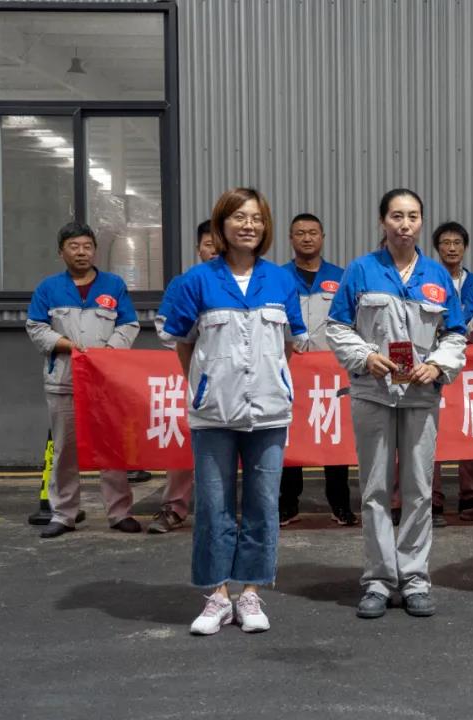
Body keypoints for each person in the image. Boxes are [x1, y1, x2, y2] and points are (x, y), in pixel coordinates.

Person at [160, 187, 307, 635]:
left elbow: (289, 343)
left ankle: (251, 593)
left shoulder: (281, 280)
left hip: (269, 412)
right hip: (214, 414)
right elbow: (184, 343)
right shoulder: (197, 281)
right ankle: (218, 596)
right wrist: (206, 385)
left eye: (257, 218)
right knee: (213, 506)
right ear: (221, 224)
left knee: (263, 505)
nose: (249, 225)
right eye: (239, 217)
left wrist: (271, 379)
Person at [327, 188, 467, 620]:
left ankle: (415, 579)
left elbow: (455, 334)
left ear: (421, 222)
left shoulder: (437, 276)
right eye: (396, 216)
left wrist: (438, 364)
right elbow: (337, 326)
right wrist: (365, 357)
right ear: (382, 221)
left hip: (421, 396)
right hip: (373, 392)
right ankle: (377, 580)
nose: (405, 224)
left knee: (418, 489)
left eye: (412, 216)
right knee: (374, 490)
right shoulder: (361, 270)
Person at [26, 222, 140, 539]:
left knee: (111, 447)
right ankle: (64, 514)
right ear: (61, 252)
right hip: (64, 381)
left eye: (87, 246)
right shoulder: (48, 288)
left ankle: (119, 512)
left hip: (105, 382)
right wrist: (66, 345)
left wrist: (107, 353)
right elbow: (36, 327)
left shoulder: (114, 285)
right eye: (74, 246)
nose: (81, 252)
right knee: (64, 449)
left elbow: (129, 325)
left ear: (95, 251)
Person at [409, 220, 473, 526]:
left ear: (465, 247)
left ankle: (471, 493)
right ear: (437, 247)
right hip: (431, 366)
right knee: (429, 433)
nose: (451, 248)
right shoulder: (425, 279)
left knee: (470, 428)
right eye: (445, 243)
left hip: (471, 370)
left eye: (457, 243)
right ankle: (431, 497)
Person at [278, 212, 357, 527]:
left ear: (322, 237)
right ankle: (287, 504)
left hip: (331, 373)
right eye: (300, 233)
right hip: (290, 370)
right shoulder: (278, 277)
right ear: (290, 238)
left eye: (312, 232)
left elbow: (351, 320)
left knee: (334, 436)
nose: (307, 238)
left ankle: (340, 504)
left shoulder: (340, 277)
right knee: (291, 436)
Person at [148, 219, 220, 535]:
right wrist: (197, 345)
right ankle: (174, 507)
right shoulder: (184, 283)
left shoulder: (243, 283)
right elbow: (166, 328)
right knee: (184, 443)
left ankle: (222, 512)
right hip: (193, 375)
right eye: (208, 244)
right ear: (198, 248)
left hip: (235, 378)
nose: (214, 250)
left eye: (219, 244)